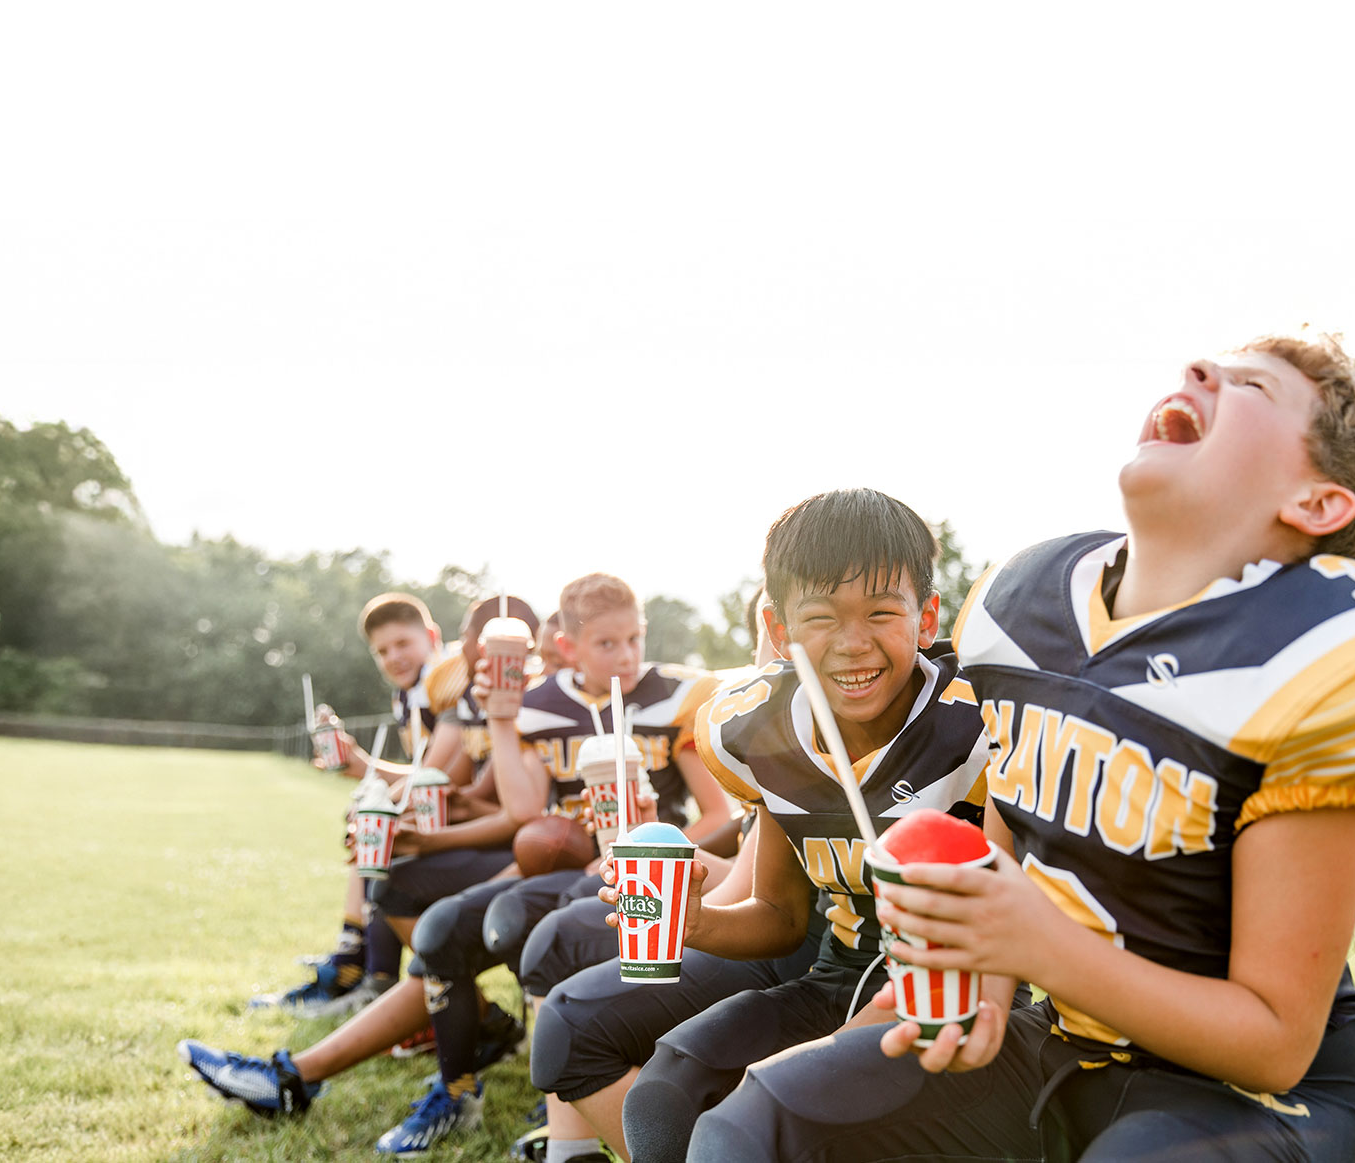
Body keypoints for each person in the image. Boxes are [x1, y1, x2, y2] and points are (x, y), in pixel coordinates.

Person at [692, 336, 1355, 1163]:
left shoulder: (1313, 658)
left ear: (1317, 503)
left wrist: (1035, 946)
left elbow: (1272, 1042)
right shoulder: (1029, 607)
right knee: (762, 1118)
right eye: (1207, 366)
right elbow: (1009, 818)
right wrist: (993, 974)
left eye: (1252, 385)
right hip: (1062, 1039)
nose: (1198, 372)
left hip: (1246, 1096)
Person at [615, 489, 996, 1163]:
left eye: (881, 611)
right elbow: (782, 915)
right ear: (779, 625)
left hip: (956, 989)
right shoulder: (748, 730)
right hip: (836, 970)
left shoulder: (982, 720)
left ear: (927, 614)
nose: (853, 643)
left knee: (754, 1124)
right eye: (819, 616)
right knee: (666, 1090)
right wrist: (696, 923)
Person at [377, 573, 736, 1155]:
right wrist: (499, 717)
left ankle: (570, 1106)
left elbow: (718, 815)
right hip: (567, 863)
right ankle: (460, 1089)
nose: (626, 656)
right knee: (445, 927)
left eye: (634, 639)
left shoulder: (671, 696)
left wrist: (656, 851)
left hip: (649, 869)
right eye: (606, 643)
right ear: (567, 646)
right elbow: (525, 810)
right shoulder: (541, 707)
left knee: (545, 930)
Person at [180, 600, 547, 1126]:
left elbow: (527, 817)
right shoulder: (472, 697)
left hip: (561, 861)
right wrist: (397, 805)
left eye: (489, 641)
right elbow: (467, 791)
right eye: (472, 638)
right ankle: (336, 1041)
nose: (472, 652)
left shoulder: (541, 700)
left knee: (431, 926)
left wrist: (426, 831)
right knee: (398, 884)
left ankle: (338, 1032)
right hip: (522, 846)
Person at [517, 589, 808, 1163]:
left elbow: (768, 906)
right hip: (762, 929)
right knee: (560, 940)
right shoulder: (777, 736)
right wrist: (667, 851)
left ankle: (574, 1124)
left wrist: (687, 906)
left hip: (805, 958)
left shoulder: (815, 744)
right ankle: (571, 1138)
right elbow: (751, 878)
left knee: (573, 1014)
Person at [254, 590, 493, 1017]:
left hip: (477, 816)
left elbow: (439, 777)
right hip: (452, 811)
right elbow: (423, 774)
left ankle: (366, 973)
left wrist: (371, 785)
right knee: (371, 827)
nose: (393, 657)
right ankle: (357, 961)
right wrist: (363, 769)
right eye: (382, 651)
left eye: (403, 643)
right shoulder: (410, 691)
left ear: (432, 636)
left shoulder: (445, 679)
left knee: (377, 836)